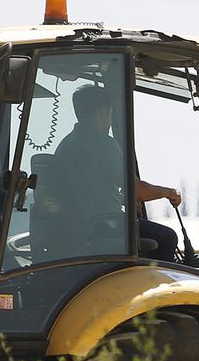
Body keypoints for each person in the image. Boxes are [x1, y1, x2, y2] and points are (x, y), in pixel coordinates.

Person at [52, 85, 182, 261]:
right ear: (103, 112)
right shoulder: (103, 143)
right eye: (111, 114)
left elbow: (84, 190)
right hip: (104, 225)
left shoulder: (65, 146)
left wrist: (120, 198)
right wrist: (168, 192)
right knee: (167, 237)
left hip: (79, 226)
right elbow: (138, 190)